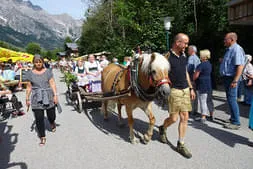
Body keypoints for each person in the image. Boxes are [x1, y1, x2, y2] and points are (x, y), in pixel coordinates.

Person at [159, 33, 195, 159]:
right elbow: (161, 75)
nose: (186, 45)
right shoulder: (166, 57)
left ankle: (181, 143)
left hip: (185, 89)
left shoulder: (184, 55)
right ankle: (163, 128)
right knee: (173, 119)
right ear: (177, 43)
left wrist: (190, 88)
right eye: (185, 43)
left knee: (185, 117)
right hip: (174, 91)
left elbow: (185, 72)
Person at [26, 54, 58, 146]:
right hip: (36, 96)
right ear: (34, 63)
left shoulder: (48, 72)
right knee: (39, 118)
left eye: (40, 62)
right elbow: (28, 87)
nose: (38, 63)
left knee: (51, 115)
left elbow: (52, 84)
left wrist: (55, 95)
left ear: (42, 62)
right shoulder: (30, 73)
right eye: (36, 62)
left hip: (48, 95)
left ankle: (52, 122)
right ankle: (42, 137)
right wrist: (27, 99)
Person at [219, 32, 245, 130]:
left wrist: (235, 80)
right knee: (230, 99)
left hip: (232, 79)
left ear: (232, 39)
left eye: (226, 39)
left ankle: (236, 122)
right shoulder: (229, 50)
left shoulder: (236, 49)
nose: (224, 41)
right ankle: (232, 118)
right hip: (227, 78)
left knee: (232, 99)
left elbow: (240, 66)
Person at [193, 49, 214, 123]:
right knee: (209, 100)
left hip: (201, 84)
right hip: (208, 83)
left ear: (203, 56)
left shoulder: (201, 65)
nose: (199, 56)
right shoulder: (209, 64)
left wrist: (192, 79)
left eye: (200, 55)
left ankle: (203, 117)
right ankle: (211, 115)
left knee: (202, 101)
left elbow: (196, 76)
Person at [187, 45, 200, 115]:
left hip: (191, 78)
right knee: (195, 94)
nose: (187, 51)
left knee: (191, 94)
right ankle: (195, 110)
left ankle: (191, 110)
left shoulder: (191, 58)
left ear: (192, 51)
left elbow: (188, 69)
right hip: (196, 78)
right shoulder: (197, 58)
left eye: (188, 50)